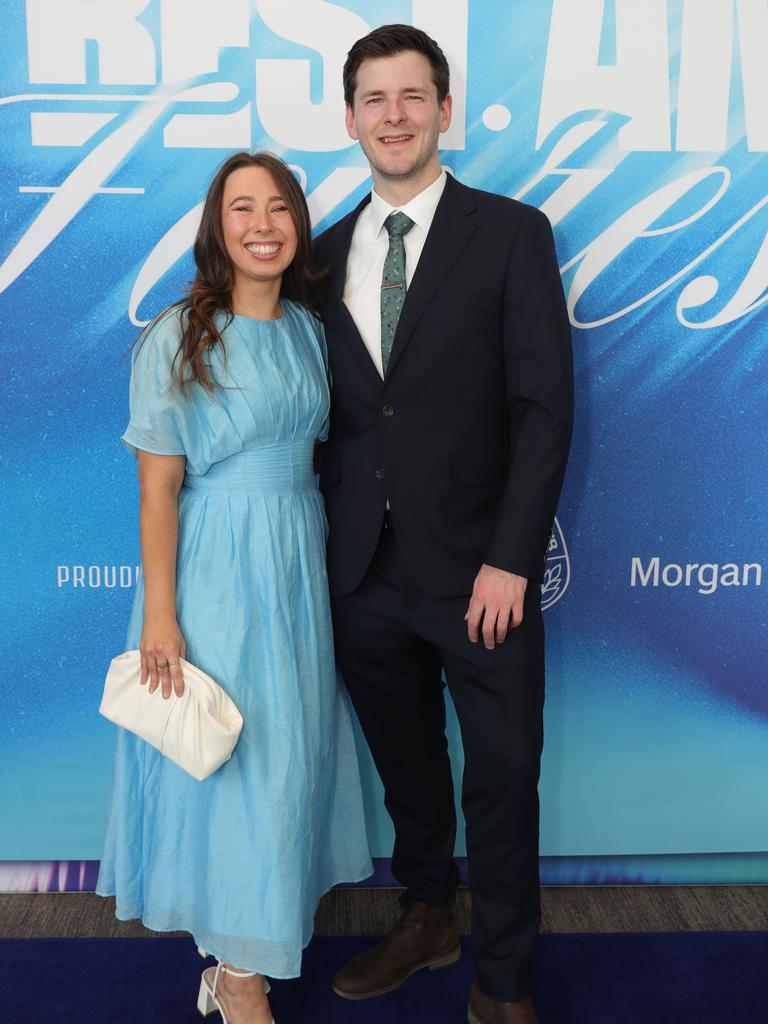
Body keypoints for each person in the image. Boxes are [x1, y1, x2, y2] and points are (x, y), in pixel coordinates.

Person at [314, 24, 573, 1024]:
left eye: (412, 96)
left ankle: (505, 981)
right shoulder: (323, 251)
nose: (393, 116)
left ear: (444, 109)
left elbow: (544, 408)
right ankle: (429, 915)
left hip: (481, 573)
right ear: (350, 119)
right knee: (409, 767)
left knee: (503, 776)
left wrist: (512, 558)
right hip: (364, 573)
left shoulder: (512, 231)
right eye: (374, 100)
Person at [96, 151, 372, 1024]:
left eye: (279, 206)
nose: (263, 224)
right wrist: (165, 618)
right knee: (230, 769)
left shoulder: (305, 327)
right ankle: (241, 977)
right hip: (214, 569)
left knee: (286, 764)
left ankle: (240, 957)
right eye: (241, 208)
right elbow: (157, 489)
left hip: (296, 561)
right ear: (217, 229)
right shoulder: (176, 335)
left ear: (298, 224)